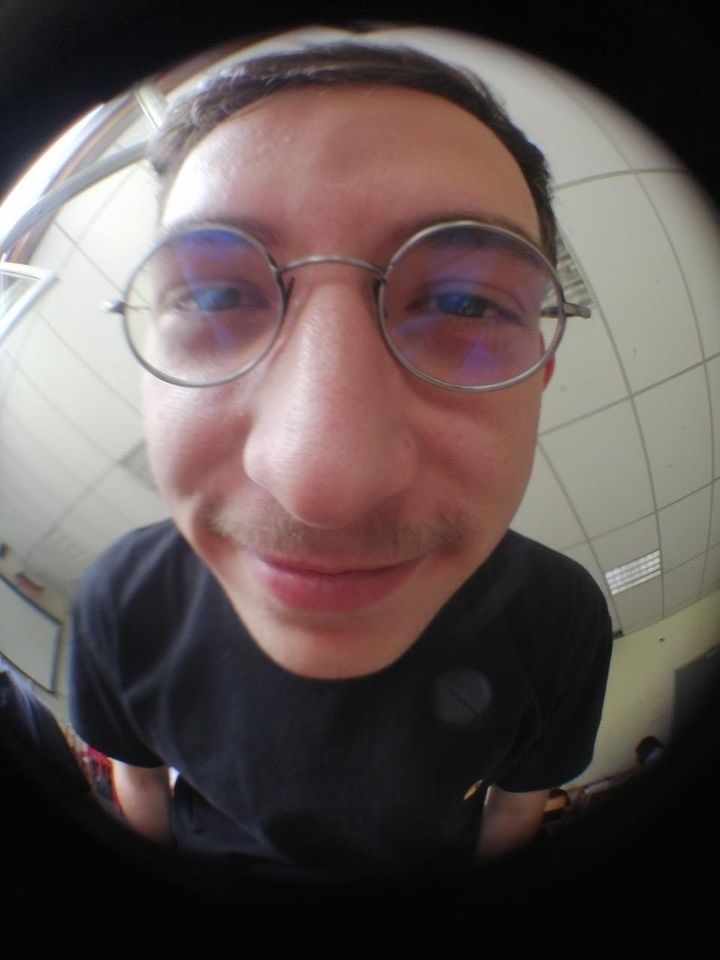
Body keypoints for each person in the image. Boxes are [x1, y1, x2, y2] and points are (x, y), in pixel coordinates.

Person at [68, 39, 612, 880]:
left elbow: (516, 809)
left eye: (466, 303)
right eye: (213, 294)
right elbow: (138, 786)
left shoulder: (561, 620)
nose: (324, 486)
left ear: (540, 372)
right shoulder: (117, 601)